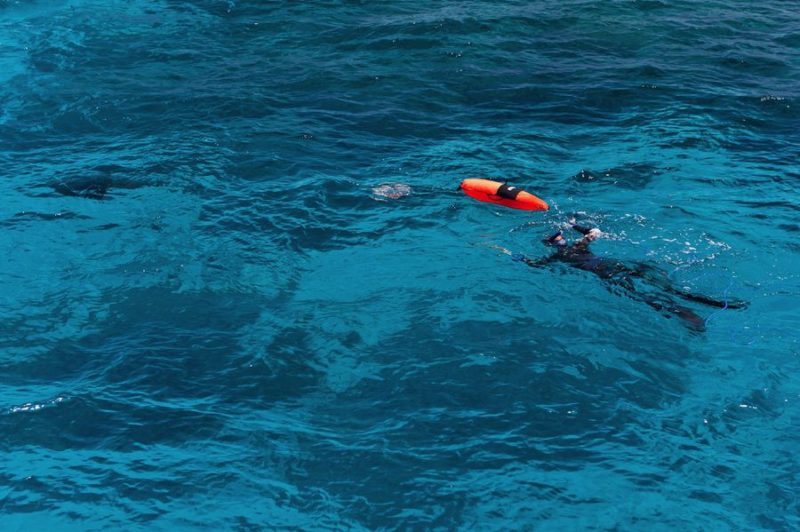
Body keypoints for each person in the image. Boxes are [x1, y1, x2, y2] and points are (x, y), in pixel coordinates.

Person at [496, 221, 747, 331]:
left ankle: (688, 315)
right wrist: (575, 225)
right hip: (618, 264)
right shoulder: (578, 246)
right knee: (670, 289)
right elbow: (595, 232)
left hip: (606, 272)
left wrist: (511, 254)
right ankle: (718, 303)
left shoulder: (560, 256)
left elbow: (534, 264)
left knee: (645, 298)